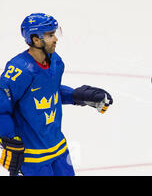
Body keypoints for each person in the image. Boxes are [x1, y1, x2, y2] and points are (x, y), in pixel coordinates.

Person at [0, 13, 113, 176]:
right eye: (50, 35)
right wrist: (9, 138)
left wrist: (77, 95)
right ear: (35, 39)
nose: (55, 39)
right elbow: (2, 107)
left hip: (58, 147)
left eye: (55, 33)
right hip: (32, 156)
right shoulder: (19, 70)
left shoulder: (55, 62)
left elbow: (50, 91)